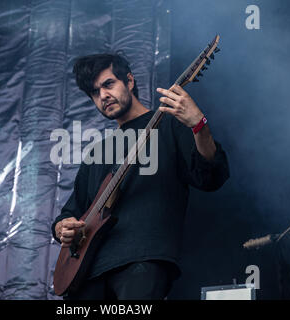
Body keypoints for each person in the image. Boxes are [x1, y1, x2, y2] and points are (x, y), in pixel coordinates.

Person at [51, 53, 230, 300]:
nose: (103, 95)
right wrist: (62, 228)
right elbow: (71, 210)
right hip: (87, 273)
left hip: (142, 260)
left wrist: (199, 125)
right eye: (95, 92)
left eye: (108, 84)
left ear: (130, 81)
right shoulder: (98, 151)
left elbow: (211, 176)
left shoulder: (169, 126)